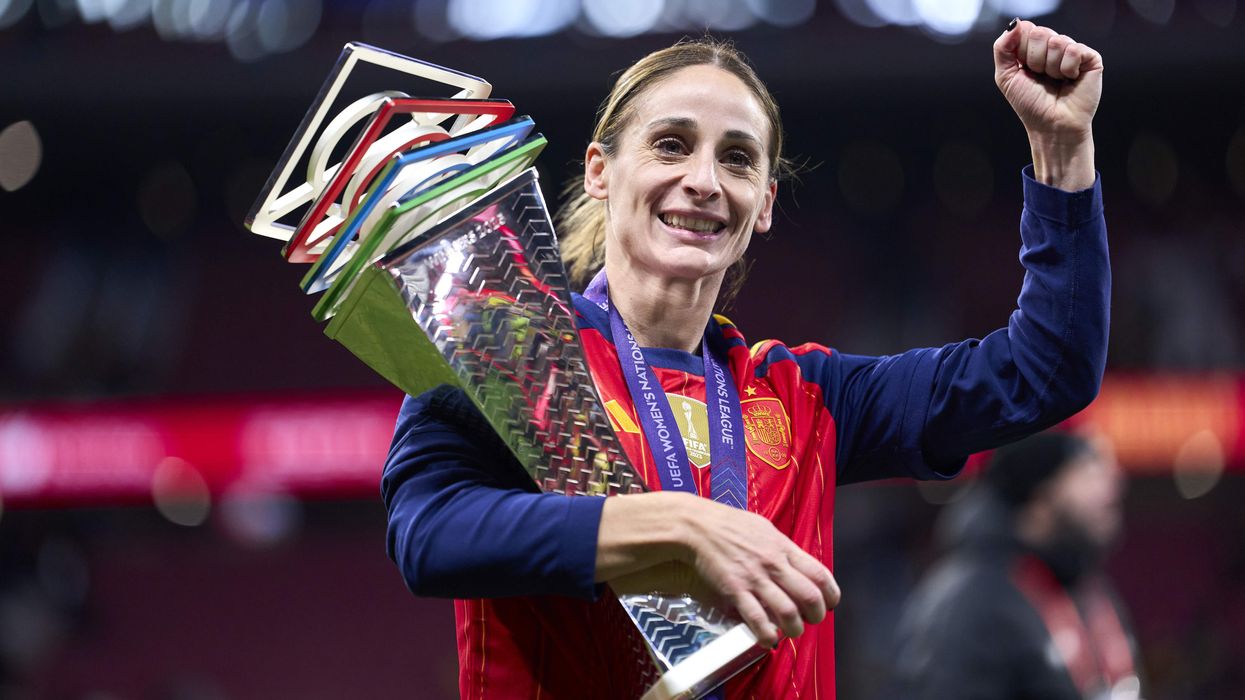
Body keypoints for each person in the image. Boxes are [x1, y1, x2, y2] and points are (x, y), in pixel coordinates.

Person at [382, 19, 1109, 700]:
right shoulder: (512, 352)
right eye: (671, 145)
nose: (704, 180)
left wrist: (1062, 150)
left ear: (762, 203)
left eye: (736, 158)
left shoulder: (806, 396)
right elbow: (428, 533)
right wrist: (675, 527)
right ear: (601, 171)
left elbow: (1044, 371)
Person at [889, 431, 1141, 700]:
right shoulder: (970, 598)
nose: (1112, 487)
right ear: (1039, 498)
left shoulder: (1083, 585)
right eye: (1087, 474)